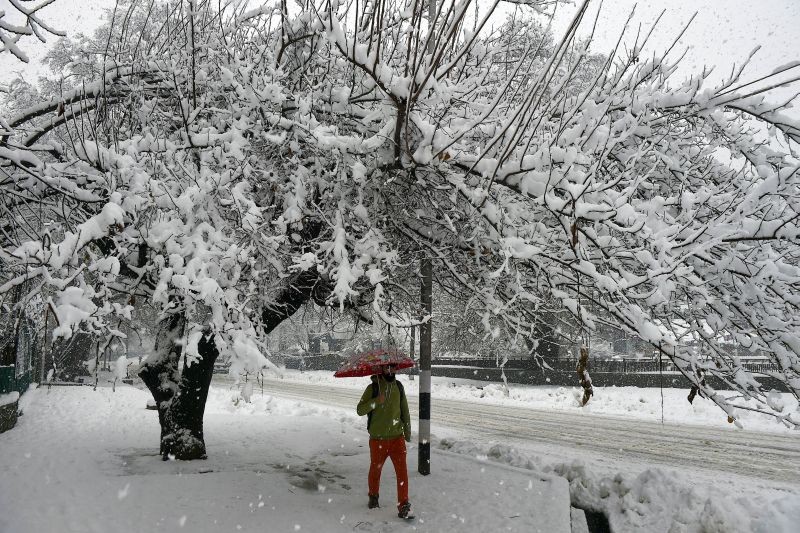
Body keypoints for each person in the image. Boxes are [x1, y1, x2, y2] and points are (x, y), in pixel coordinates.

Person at [356, 364, 413, 519]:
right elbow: (360, 410)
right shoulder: (373, 388)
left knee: (402, 473)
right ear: (381, 370)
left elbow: (405, 411)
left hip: (397, 438)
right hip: (377, 439)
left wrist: (407, 433)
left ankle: (404, 505)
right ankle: (373, 497)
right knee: (375, 471)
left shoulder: (399, 387)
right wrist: (375, 401)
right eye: (387, 368)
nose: (390, 371)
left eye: (393, 368)